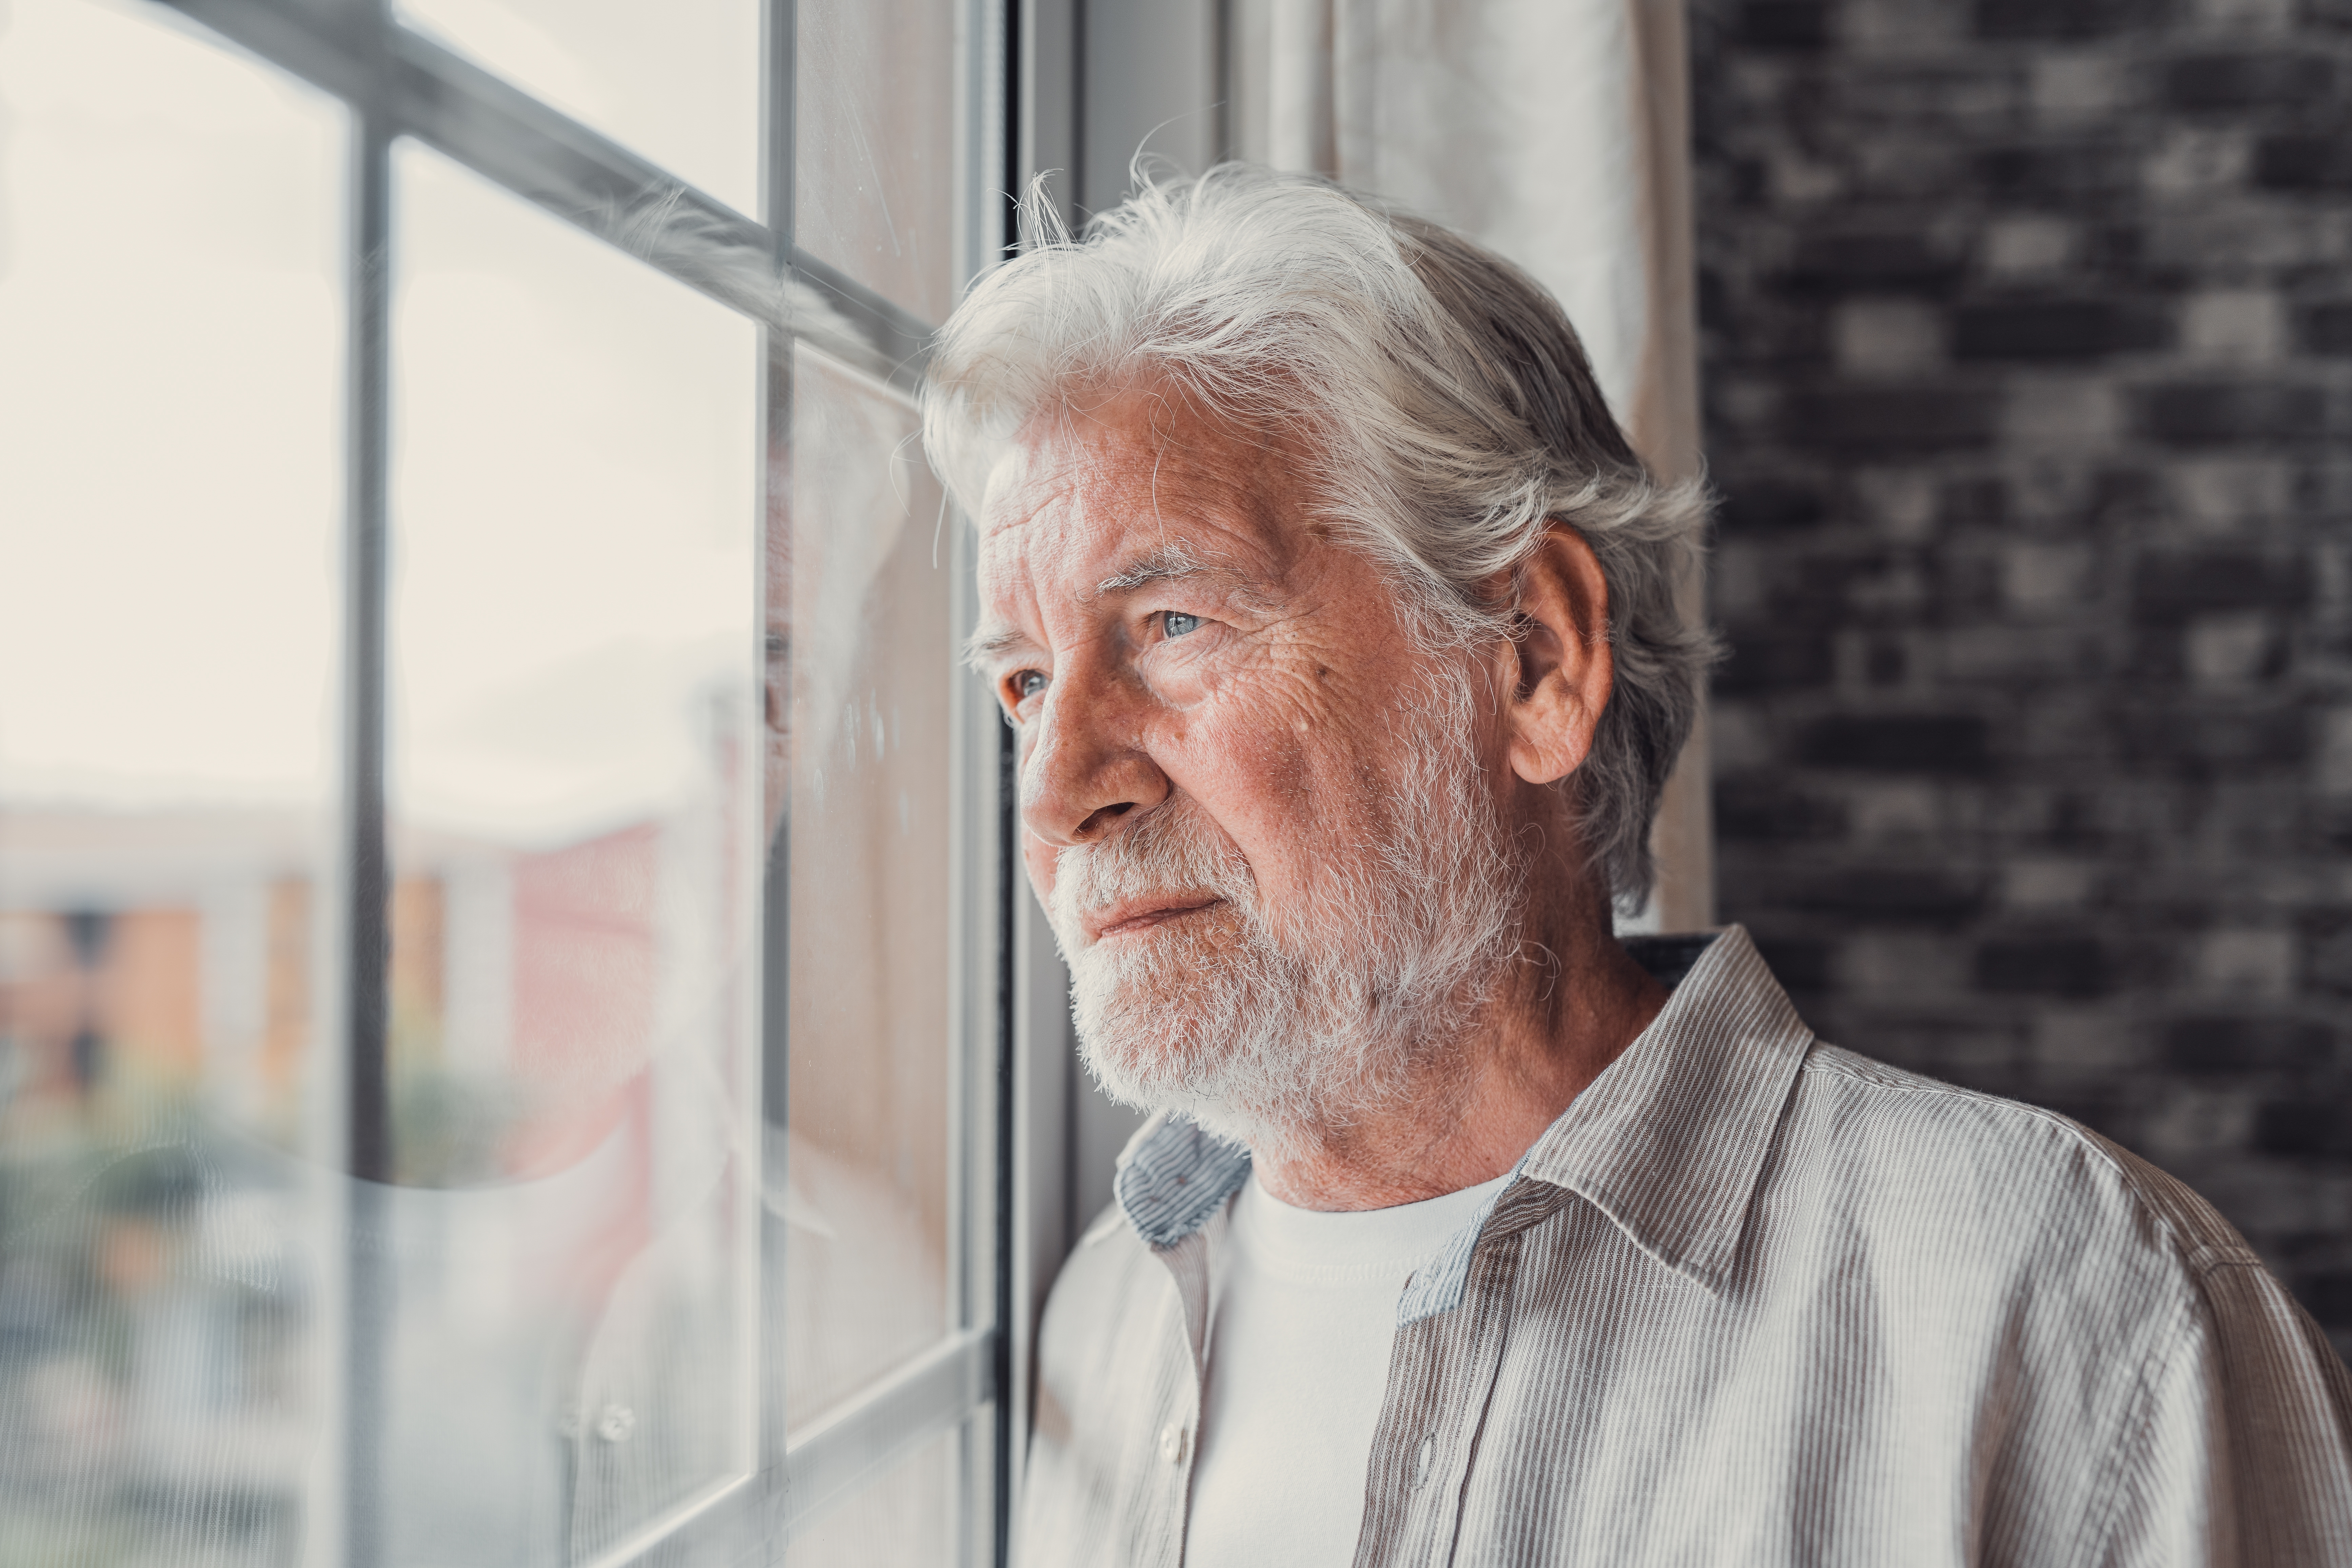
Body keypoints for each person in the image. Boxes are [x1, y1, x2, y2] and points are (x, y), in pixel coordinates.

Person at [920, 164, 2352, 1567]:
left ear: (1535, 658)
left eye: (1171, 621)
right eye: (1025, 683)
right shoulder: (1102, 1317)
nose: (1058, 790)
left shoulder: (2075, 1308)